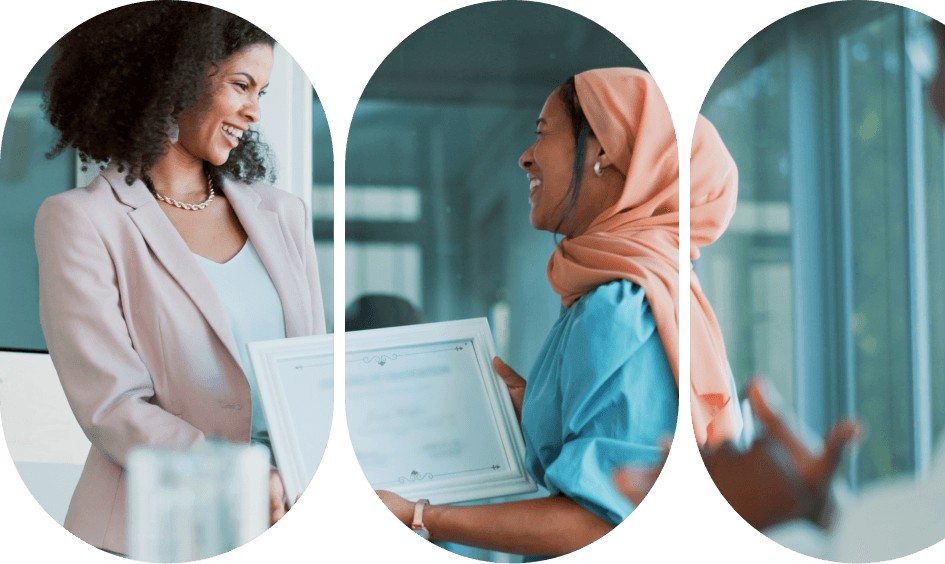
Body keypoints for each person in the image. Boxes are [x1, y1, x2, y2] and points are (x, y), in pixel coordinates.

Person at [35, 2, 325, 555]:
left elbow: (309, 378)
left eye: (261, 93)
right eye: (243, 85)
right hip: (146, 528)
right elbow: (112, 406)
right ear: (175, 78)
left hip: (280, 510)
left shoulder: (283, 215)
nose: (254, 111)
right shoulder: (81, 220)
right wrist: (238, 477)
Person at [376, 68, 680, 559]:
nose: (525, 156)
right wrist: (533, 413)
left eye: (542, 133)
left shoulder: (623, 303)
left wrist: (420, 516)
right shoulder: (615, 292)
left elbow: (600, 523)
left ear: (601, 150)